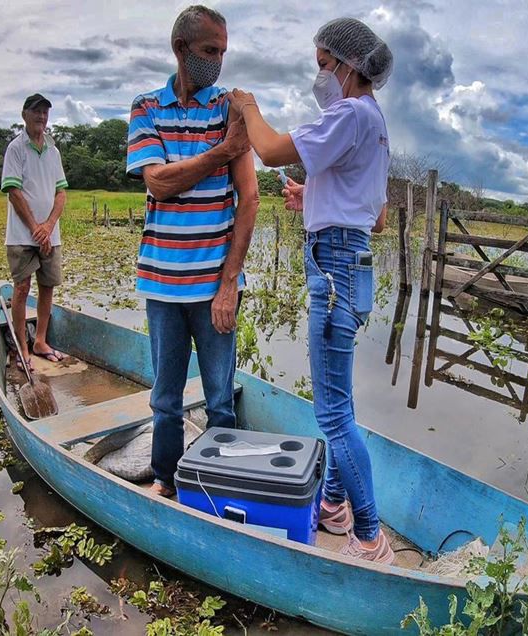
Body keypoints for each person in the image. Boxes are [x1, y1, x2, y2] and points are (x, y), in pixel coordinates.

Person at [228, 17, 393, 563]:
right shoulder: (376, 123)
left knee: (332, 416)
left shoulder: (348, 113)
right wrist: (313, 196)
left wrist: (248, 106)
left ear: (349, 67)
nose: (319, 76)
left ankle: (369, 538)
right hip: (355, 262)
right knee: (340, 401)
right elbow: (379, 218)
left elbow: (271, 149)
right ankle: (333, 506)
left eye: (324, 65)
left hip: (333, 265)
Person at [126, 5, 259, 497]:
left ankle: (220, 487)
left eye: (223, 52)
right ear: (181, 50)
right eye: (209, 51)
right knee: (166, 398)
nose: (218, 61)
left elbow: (250, 198)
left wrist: (229, 284)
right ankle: (166, 480)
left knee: (221, 397)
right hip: (162, 282)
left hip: (215, 286)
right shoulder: (146, 108)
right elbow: (158, 183)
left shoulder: (230, 108)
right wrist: (222, 152)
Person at [1, 93, 68, 370]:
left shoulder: (53, 151)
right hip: (21, 235)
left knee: (47, 286)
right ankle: (22, 348)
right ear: (24, 115)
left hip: (50, 235)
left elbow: (61, 192)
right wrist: (35, 228)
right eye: (36, 112)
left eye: (45, 112)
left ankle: (40, 341)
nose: (41, 117)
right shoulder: (16, 148)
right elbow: (14, 192)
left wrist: (49, 226)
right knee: (21, 288)